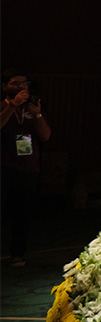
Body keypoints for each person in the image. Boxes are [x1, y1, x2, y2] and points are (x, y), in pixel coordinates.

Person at [1, 72, 51, 266]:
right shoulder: (3, 106)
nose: (22, 87)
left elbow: (45, 136)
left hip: (28, 169)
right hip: (4, 167)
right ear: (5, 86)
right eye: (16, 83)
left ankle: (18, 254)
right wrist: (12, 105)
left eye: (25, 83)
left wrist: (37, 113)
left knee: (22, 214)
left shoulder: (33, 108)